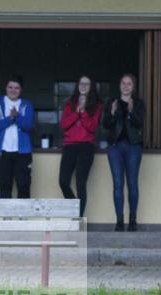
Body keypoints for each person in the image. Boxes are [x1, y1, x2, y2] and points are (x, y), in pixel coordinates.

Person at [102, 74, 145, 231]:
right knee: (118, 185)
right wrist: (112, 113)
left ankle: (132, 220)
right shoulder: (111, 102)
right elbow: (105, 125)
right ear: (119, 85)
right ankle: (119, 221)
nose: (126, 86)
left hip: (133, 147)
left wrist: (131, 111)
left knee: (132, 184)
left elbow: (139, 123)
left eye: (129, 84)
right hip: (115, 148)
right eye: (123, 83)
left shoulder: (138, 103)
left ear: (133, 87)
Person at [58, 75, 103, 217]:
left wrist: (83, 112)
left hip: (86, 147)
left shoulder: (97, 105)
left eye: (87, 84)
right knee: (63, 181)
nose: (83, 86)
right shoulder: (69, 104)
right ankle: (75, 211)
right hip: (69, 146)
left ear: (91, 87)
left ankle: (78, 219)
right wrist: (77, 112)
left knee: (80, 184)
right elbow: (63, 124)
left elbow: (92, 127)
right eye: (81, 83)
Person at [0, 76, 35, 199]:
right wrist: (10, 118)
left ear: (21, 89)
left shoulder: (27, 104)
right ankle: (6, 213)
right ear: (6, 88)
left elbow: (28, 126)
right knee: (4, 188)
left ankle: (22, 212)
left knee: (24, 187)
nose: (13, 90)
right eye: (10, 87)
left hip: (22, 153)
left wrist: (17, 116)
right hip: (1, 153)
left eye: (16, 88)